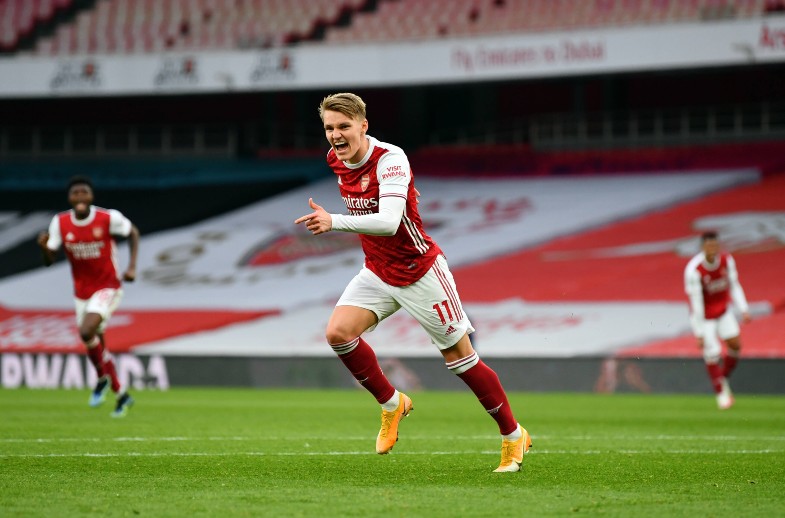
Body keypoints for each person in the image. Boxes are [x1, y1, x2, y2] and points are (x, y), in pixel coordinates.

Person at [295, 92, 531, 472]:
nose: (336, 136)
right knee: (339, 333)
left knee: (460, 360)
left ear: (363, 126)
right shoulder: (334, 159)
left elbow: (389, 221)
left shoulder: (391, 160)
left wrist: (335, 221)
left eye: (343, 126)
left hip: (419, 270)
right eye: (329, 128)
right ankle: (393, 404)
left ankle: (513, 434)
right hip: (377, 269)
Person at [37, 175, 139, 417]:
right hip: (82, 292)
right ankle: (120, 393)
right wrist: (44, 249)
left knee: (86, 331)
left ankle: (102, 378)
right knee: (97, 345)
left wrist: (132, 266)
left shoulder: (107, 218)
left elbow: (133, 231)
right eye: (75, 193)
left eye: (84, 192)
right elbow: (48, 262)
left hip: (108, 287)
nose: (80, 197)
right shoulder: (60, 223)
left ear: (91, 196)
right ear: (69, 198)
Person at [684, 230, 750, 410]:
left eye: (715, 244)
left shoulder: (726, 261)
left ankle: (723, 378)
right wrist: (699, 332)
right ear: (702, 247)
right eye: (709, 245)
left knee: (735, 345)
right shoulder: (694, 270)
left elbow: (734, 285)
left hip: (722, 311)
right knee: (712, 354)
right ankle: (721, 393)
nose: (712, 248)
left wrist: (743, 308)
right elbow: (696, 303)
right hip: (704, 318)